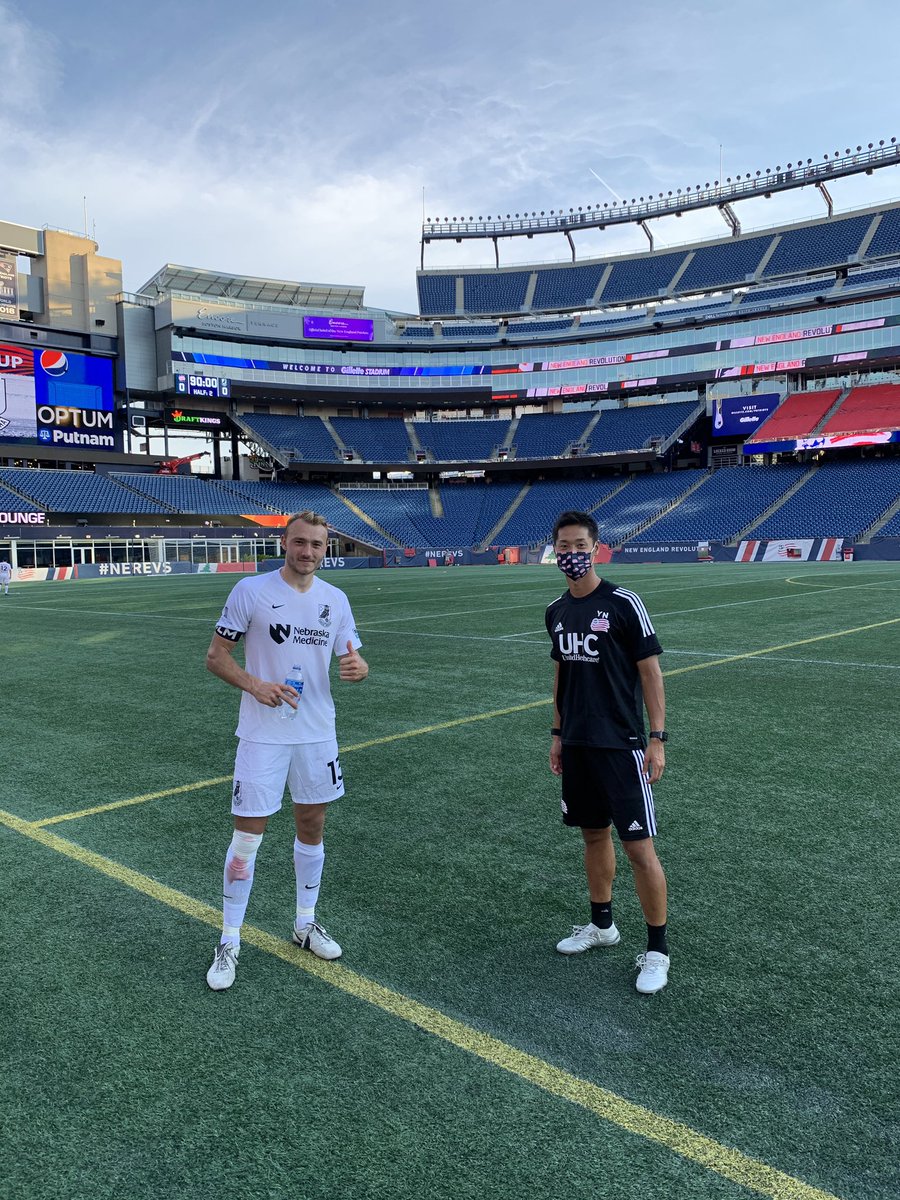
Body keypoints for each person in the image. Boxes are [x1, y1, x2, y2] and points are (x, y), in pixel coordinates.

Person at [204, 511, 369, 991]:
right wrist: (254, 685)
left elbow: (351, 655)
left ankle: (304, 923)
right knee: (248, 838)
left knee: (311, 827)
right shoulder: (250, 592)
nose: (308, 552)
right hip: (262, 735)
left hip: (317, 734)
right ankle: (230, 939)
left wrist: (359, 667)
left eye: (317, 545)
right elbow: (216, 657)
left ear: (325, 549)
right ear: (285, 543)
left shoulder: (335, 599)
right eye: (300, 543)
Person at [545, 510, 670, 994]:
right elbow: (561, 673)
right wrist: (557, 732)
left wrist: (657, 738)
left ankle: (657, 951)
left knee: (639, 848)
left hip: (621, 745)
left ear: (595, 549)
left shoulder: (623, 602)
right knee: (592, 837)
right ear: (554, 550)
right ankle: (602, 926)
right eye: (564, 546)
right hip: (576, 743)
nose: (571, 554)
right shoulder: (556, 610)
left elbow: (651, 673)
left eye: (579, 545)